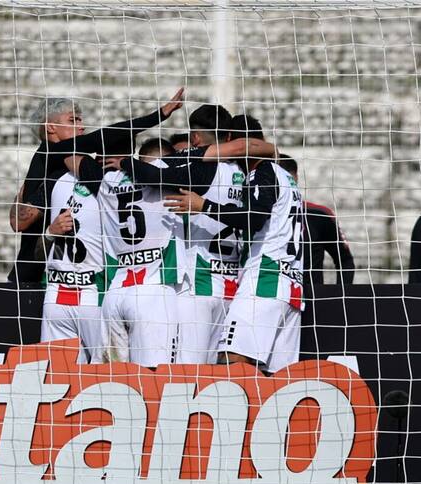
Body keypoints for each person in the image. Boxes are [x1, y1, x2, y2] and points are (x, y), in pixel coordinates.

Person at [104, 105, 277, 364]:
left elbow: (154, 173)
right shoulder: (249, 173)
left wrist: (128, 163)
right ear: (230, 138)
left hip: (198, 285)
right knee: (221, 376)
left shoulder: (195, 167)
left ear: (196, 138)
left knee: (187, 375)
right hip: (234, 286)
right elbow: (266, 150)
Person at [166, 115, 303, 374]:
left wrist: (204, 206)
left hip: (265, 281)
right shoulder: (287, 177)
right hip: (290, 285)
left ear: (233, 141)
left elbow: (254, 217)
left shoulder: (263, 171)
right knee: (279, 378)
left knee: (232, 359)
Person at [8, 89, 185, 283]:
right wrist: (159, 115)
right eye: (73, 120)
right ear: (51, 127)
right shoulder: (55, 154)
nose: (81, 126)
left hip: (57, 274)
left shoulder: (50, 157)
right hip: (34, 275)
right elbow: (19, 222)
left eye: (80, 120)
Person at [66, 136, 185, 366]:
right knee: (155, 377)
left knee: (111, 379)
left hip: (116, 292)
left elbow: (64, 152)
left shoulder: (105, 179)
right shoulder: (169, 174)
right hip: (154, 291)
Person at [37, 161, 105, 363]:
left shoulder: (105, 183)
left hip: (95, 295)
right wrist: (50, 232)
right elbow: (36, 253)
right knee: (57, 374)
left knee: (103, 371)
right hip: (57, 294)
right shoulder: (58, 181)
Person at [278, 155, 355, 285]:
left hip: (311, 299)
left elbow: (345, 261)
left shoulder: (318, 215)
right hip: (264, 295)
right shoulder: (255, 214)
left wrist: (340, 298)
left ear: (295, 178)